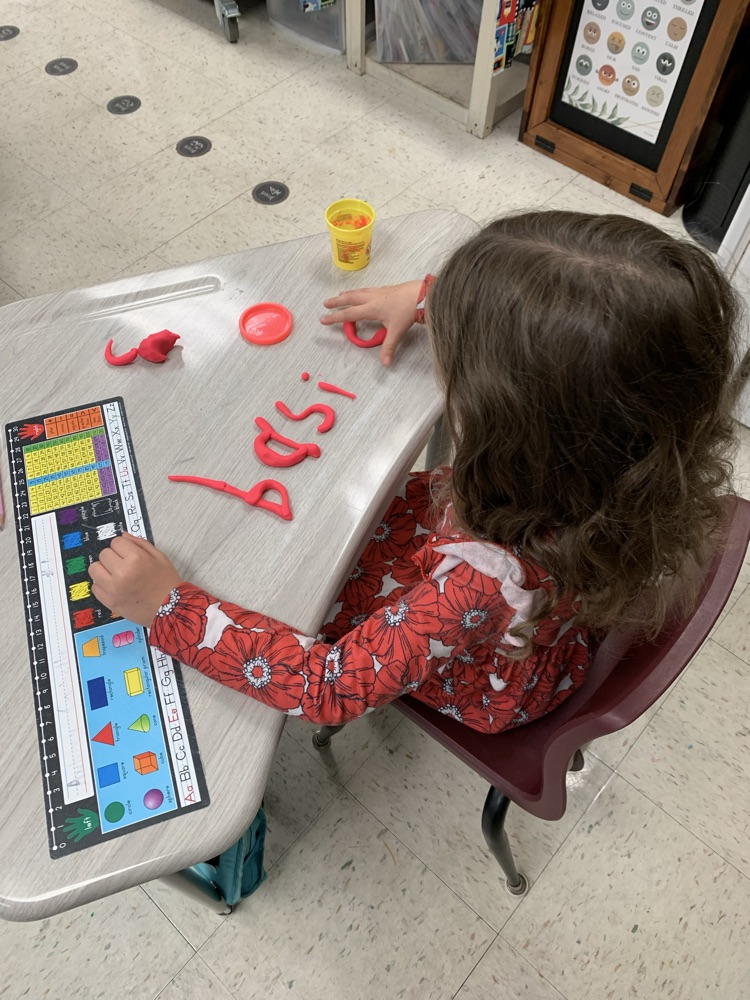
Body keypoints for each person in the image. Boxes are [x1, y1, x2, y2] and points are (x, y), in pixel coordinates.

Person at [88, 211, 744, 734]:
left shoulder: (474, 584)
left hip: (492, 678)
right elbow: (590, 345)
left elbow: (328, 688)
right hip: (549, 598)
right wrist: (429, 299)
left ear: (510, 427)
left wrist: (170, 608)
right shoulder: (630, 455)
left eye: (461, 364)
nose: (445, 370)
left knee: (289, 585)